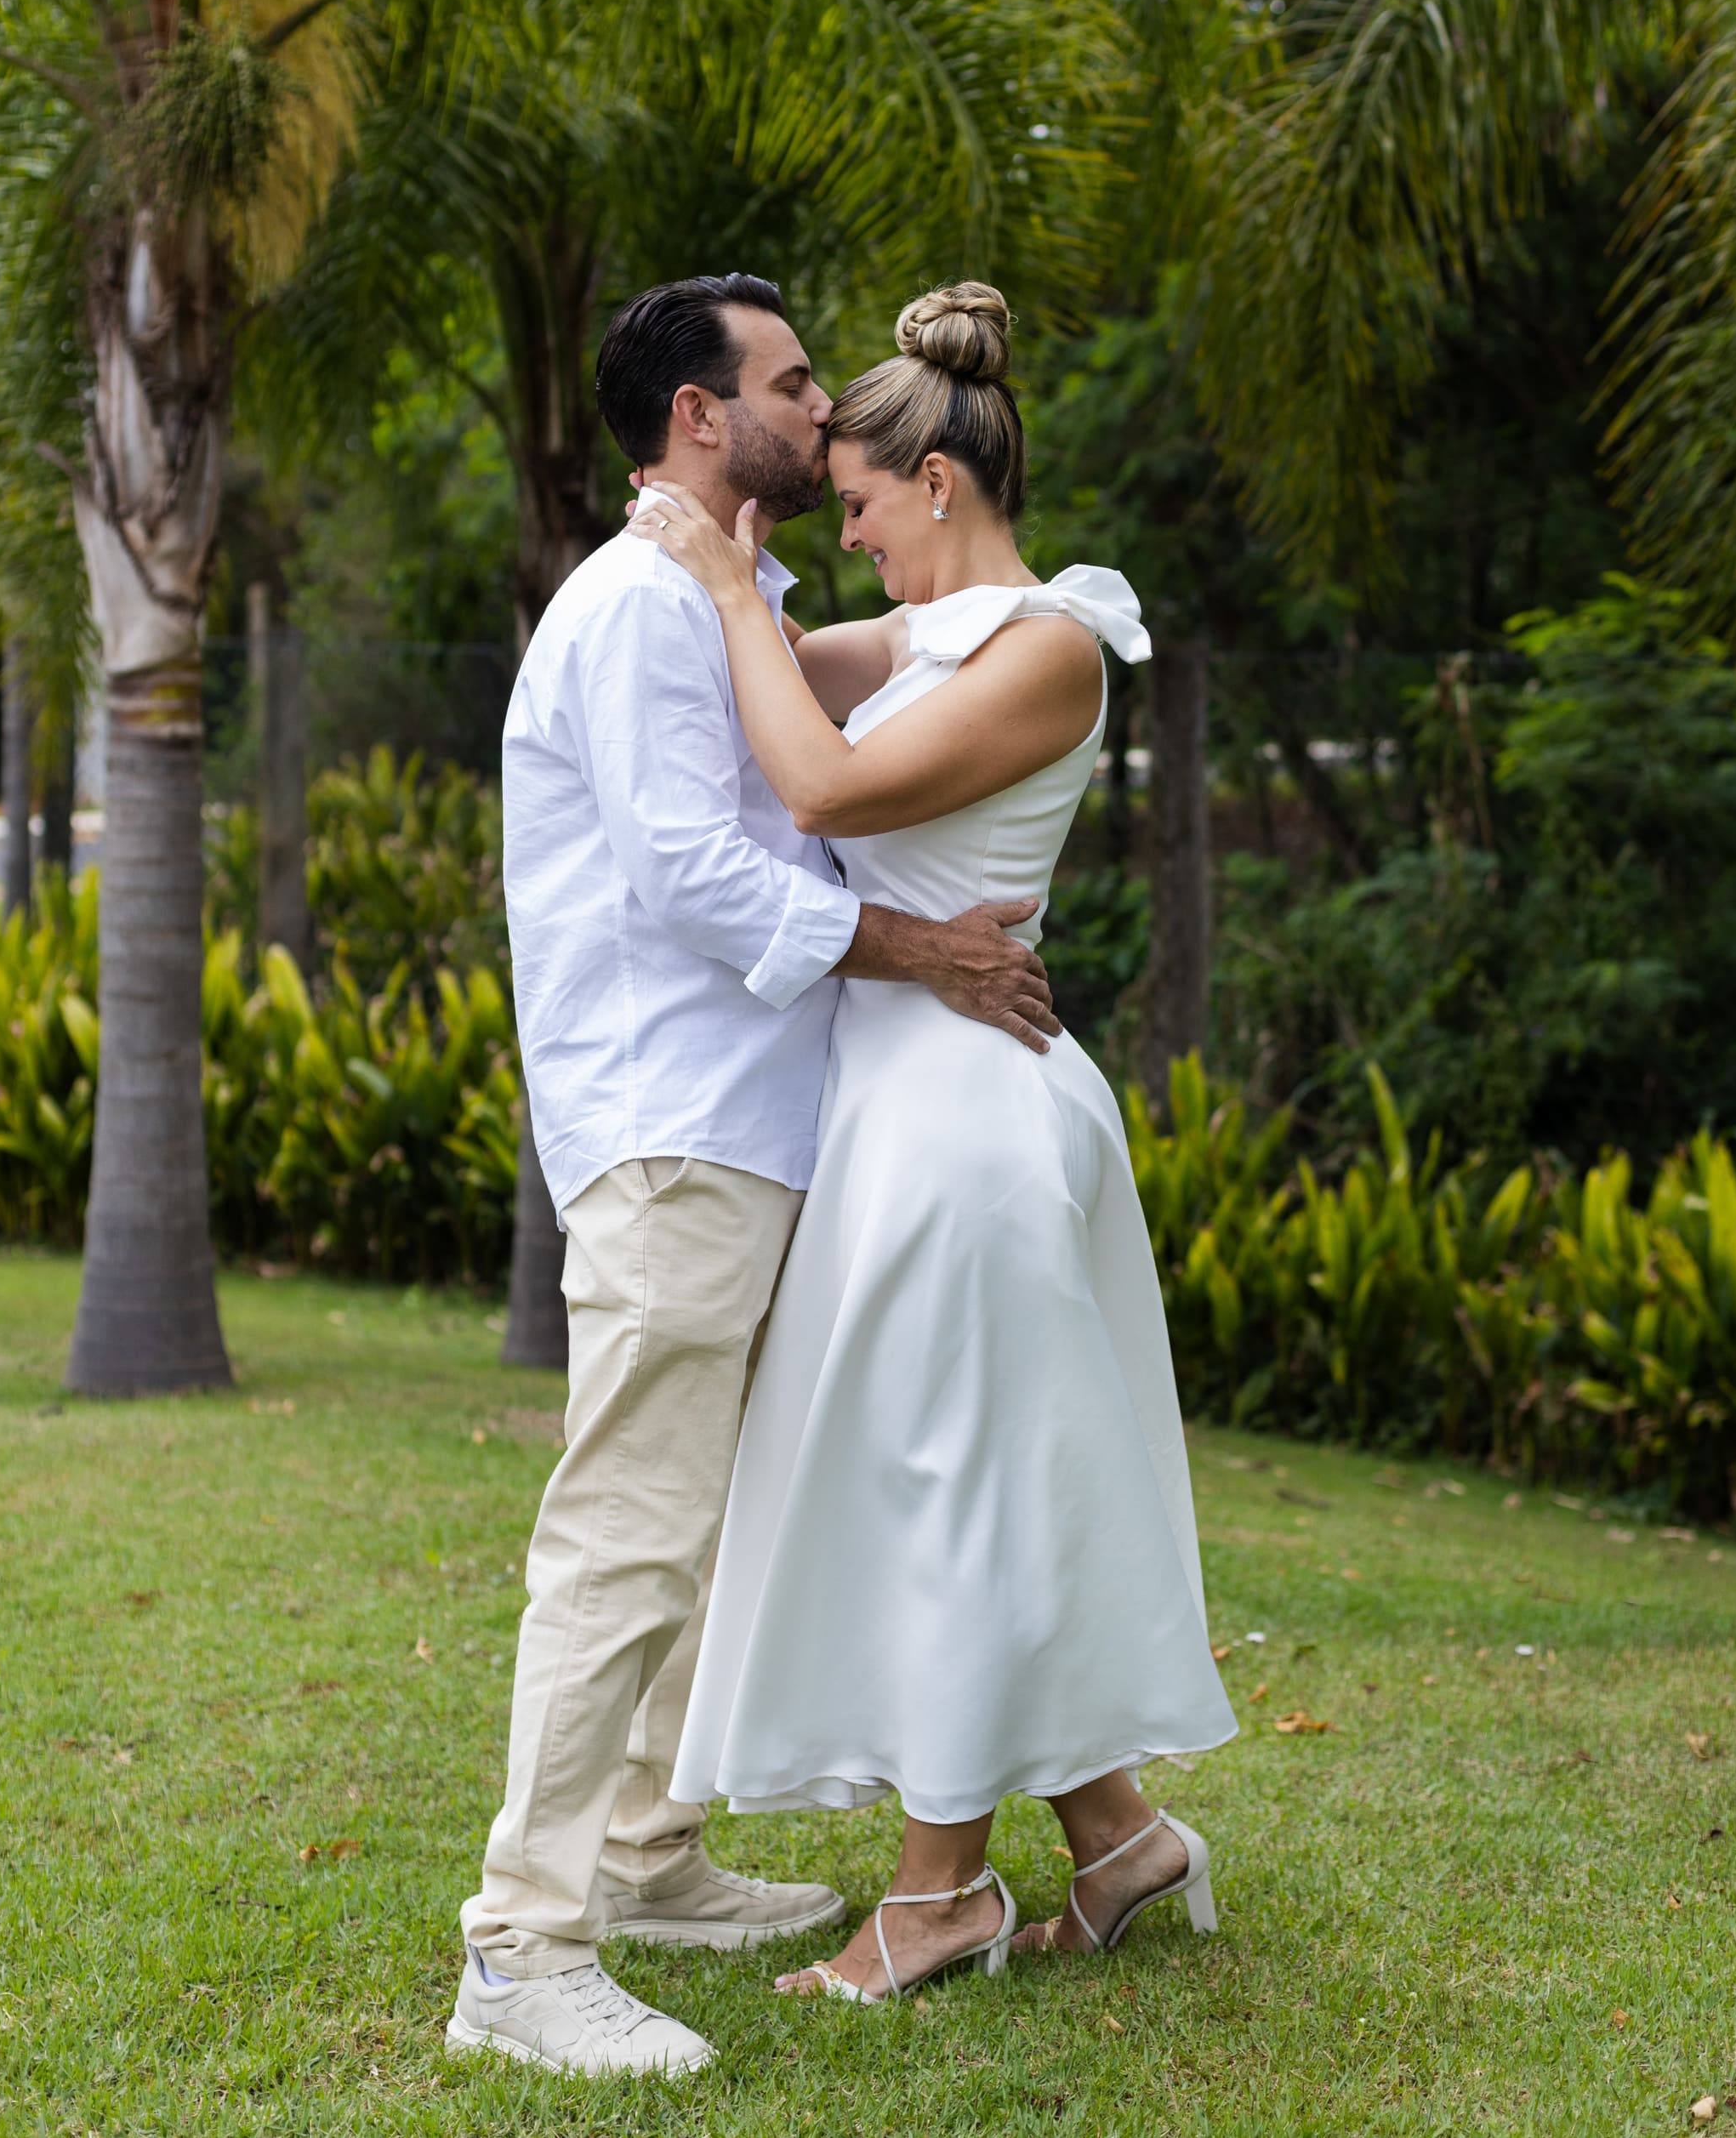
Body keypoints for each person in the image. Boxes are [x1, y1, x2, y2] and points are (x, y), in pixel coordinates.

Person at [447, 274, 1062, 2079]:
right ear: (699, 417)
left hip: (761, 1124)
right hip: (674, 1125)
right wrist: (927, 953)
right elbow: (692, 876)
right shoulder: (642, 603)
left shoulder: (745, 602)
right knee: (627, 1530)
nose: (826, 412)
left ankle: (645, 1855)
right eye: (793, 384)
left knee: (702, 1529)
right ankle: (522, 1948)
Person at [632, 279, 1238, 2004]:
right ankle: (1119, 1841)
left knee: (954, 1482)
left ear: (941, 486)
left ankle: (937, 1894)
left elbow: (818, 786)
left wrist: (720, 581)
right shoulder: (933, 639)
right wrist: (707, 563)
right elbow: (765, 671)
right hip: (898, 1099)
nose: (850, 541)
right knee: (958, 1473)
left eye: (860, 508)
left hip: (975, 1113)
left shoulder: (1050, 647)